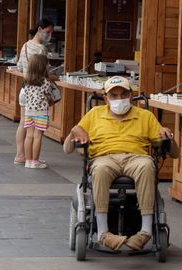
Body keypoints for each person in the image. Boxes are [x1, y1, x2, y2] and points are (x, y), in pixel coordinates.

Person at [64, 76, 178, 251]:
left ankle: (145, 231)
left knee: (147, 165)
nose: (119, 99)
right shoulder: (94, 114)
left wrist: (168, 137)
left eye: (123, 95)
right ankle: (103, 233)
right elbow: (67, 149)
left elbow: (174, 153)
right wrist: (73, 132)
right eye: (114, 96)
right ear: (105, 98)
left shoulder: (145, 116)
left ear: (131, 96)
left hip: (136, 157)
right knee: (100, 169)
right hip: (104, 157)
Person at [14, 19, 54, 165]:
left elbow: (19, 67)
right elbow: (45, 72)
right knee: (37, 133)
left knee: (23, 124)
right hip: (38, 92)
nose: (49, 35)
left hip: (25, 89)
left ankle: (20, 155)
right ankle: (33, 159)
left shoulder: (25, 46)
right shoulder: (41, 49)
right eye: (48, 32)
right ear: (40, 29)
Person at [22, 54, 53, 169]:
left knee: (29, 136)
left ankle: (28, 161)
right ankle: (35, 161)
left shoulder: (26, 81)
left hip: (29, 111)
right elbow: (49, 94)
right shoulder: (45, 82)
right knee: (38, 136)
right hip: (41, 112)